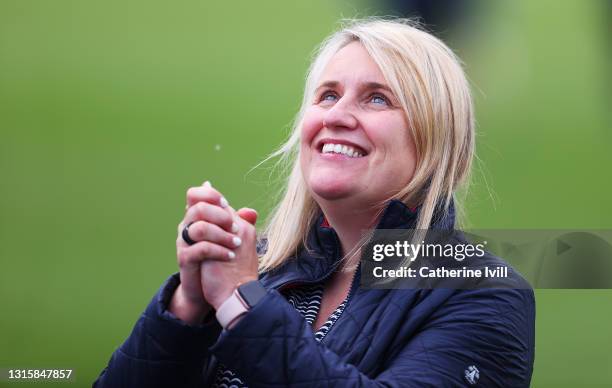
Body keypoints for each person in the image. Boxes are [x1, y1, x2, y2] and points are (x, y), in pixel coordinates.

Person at [94, 18, 535, 387]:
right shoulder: (259, 266)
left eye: (377, 98)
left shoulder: (484, 295)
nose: (336, 115)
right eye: (327, 95)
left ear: (435, 141)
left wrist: (240, 305)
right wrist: (186, 308)